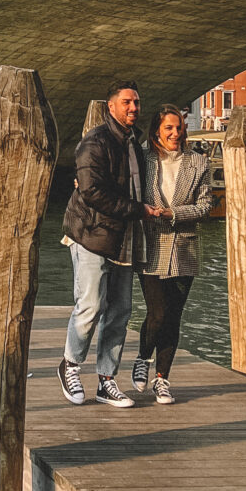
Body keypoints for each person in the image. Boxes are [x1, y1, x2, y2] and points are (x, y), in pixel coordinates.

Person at [58, 82, 165, 408]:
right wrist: (138, 210)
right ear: (111, 106)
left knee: (120, 311)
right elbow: (92, 192)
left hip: (124, 237)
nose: (134, 108)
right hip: (92, 234)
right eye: (128, 102)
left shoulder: (134, 143)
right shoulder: (95, 143)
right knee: (90, 306)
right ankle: (70, 366)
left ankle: (106, 381)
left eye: (137, 102)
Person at [133, 106, 212, 404]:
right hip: (151, 246)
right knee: (158, 313)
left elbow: (204, 206)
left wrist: (174, 213)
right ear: (157, 131)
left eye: (178, 128)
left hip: (184, 247)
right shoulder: (143, 160)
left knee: (174, 317)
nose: (175, 134)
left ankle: (162, 379)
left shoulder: (198, 162)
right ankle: (143, 357)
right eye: (168, 128)